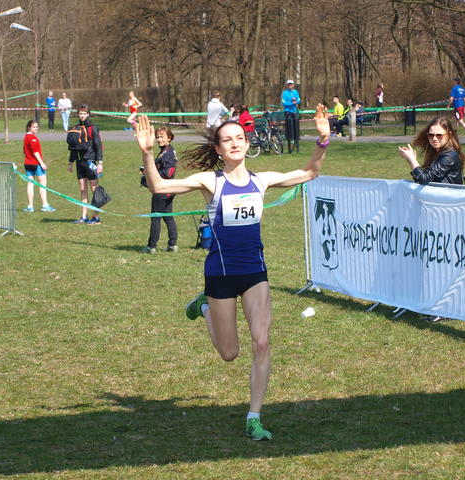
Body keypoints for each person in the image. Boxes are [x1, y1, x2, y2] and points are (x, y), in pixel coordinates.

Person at [135, 104, 330, 441]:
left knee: (262, 342)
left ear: (247, 143)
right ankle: (204, 306)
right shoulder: (210, 182)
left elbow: (310, 173)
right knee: (230, 354)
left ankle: (254, 417)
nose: (235, 143)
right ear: (218, 149)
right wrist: (148, 153)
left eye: (240, 137)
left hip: (255, 273)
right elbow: (158, 187)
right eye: (227, 140)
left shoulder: (261, 180)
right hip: (221, 276)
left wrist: (323, 141)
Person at [140, 126, 178, 254]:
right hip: (168, 189)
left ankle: (151, 246)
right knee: (168, 217)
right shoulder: (164, 151)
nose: (159, 139)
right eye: (157, 137)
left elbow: (167, 173)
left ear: (169, 138)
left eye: (162, 137)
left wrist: (150, 174)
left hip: (163, 189)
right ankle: (172, 245)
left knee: (156, 218)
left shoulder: (168, 153)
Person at [397, 116, 465, 185]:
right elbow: (420, 180)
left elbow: (424, 180)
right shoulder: (436, 153)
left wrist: (412, 160)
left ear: (449, 134)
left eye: (439, 135)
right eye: (430, 135)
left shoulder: (449, 156)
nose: (434, 138)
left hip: (448, 192)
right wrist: (410, 160)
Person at [67, 104, 104, 224]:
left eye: (84, 113)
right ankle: (84, 216)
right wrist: (70, 162)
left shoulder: (93, 128)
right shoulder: (76, 128)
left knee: (94, 189)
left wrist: (100, 163)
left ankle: (96, 217)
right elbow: (73, 148)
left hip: (91, 162)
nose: (82, 115)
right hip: (80, 163)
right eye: (80, 113)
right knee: (83, 189)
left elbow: (98, 146)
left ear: (88, 114)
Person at [22, 120, 56, 212]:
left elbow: (25, 151)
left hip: (27, 164)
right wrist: (42, 163)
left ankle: (30, 206)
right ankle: (45, 205)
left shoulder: (26, 137)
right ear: (29, 128)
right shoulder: (33, 138)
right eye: (34, 127)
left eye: (37, 127)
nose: (36, 128)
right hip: (35, 164)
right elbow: (35, 152)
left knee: (30, 184)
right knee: (42, 184)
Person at [281, 79, 301, 152]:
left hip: (294, 112)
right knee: (289, 129)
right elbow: (284, 103)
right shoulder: (284, 93)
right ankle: (289, 147)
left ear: (293, 85)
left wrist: (296, 101)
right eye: (289, 84)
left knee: (296, 128)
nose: (290, 85)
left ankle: (297, 146)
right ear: (287, 85)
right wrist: (292, 103)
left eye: (291, 84)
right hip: (288, 112)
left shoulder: (295, 92)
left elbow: (299, 100)